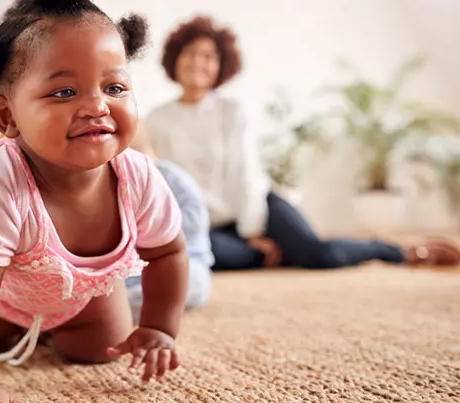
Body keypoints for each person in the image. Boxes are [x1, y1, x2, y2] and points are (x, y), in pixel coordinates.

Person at [0, 0, 189, 403]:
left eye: (114, 88)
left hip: (87, 299)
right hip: (6, 297)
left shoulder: (137, 177)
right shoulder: (0, 184)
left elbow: (169, 254)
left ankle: (69, 328)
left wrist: (158, 326)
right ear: (7, 116)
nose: (97, 106)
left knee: (97, 352)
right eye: (64, 92)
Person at [145, 15, 460, 271]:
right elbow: (163, 183)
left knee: (317, 254)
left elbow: (247, 175)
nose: (198, 62)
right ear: (175, 59)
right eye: (190, 53)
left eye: (208, 56)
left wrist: (253, 231)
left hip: (258, 208)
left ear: (221, 67)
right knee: (197, 257)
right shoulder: (156, 119)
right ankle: (270, 254)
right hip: (210, 229)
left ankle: (396, 250)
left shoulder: (232, 112)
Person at [126, 122, 213, 321]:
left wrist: (148, 228)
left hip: (183, 261)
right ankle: (100, 309)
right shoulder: (118, 184)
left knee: (193, 284)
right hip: (132, 268)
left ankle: (125, 308)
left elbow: (196, 220)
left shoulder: (172, 176)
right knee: (101, 285)